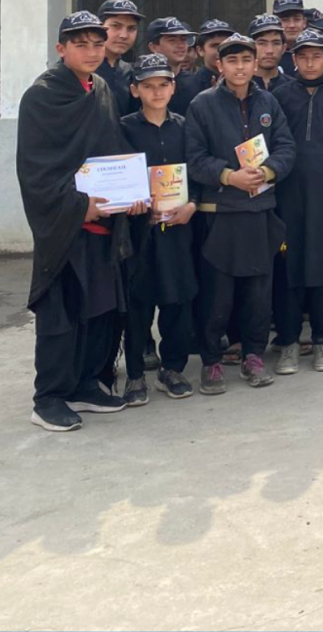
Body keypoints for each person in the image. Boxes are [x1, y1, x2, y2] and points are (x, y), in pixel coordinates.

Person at [20, 12, 136, 431]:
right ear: (61, 49)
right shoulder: (42, 96)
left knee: (99, 310)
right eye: (81, 43)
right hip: (67, 223)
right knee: (62, 313)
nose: (91, 51)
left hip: (105, 221)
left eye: (97, 43)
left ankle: (86, 383)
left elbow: (113, 148)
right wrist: (77, 205)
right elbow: (35, 169)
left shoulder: (101, 88)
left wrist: (132, 192)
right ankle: (49, 396)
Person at [186, 32, 296, 394]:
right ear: (219, 64)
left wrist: (266, 172)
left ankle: (253, 355)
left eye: (246, 60)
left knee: (258, 293)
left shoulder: (269, 102)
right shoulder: (202, 105)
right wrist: (229, 175)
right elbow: (194, 157)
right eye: (231, 60)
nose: (240, 67)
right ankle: (212, 362)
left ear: (255, 63)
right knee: (217, 294)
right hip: (220, 211)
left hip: (260, 209)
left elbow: (286, 146)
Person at [269, 29, 323, 375]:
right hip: (288, 194)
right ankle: (289, 342)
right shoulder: (279, 95)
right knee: (288, 267)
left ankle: (322, 340)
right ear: (294, 59)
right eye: (303, 56)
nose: (309, 62)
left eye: (316, 56)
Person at [119, 53, 199, 405]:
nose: (156, 92)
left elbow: (200, 172)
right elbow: (115, 177)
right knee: (138, 303)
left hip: (180, 228)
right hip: (138, 230)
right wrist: (131, 203)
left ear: (173, 87)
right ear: (135, 90)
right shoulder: (122, 128)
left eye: (163, 85)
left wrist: (192, 205)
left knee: (177, 299)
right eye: (148, 86)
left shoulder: (186, 126)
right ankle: (135, 374)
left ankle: (173, 368)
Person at [96, 0, 143, 116]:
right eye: (116, 26)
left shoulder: (132, 73)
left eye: (131, 28)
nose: (124, 35)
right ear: (100, 27)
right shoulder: (82, 69)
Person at [144, 16, 200, 116]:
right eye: (172, 40)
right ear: (154, 47)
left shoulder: (196, 82)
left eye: (183, 39)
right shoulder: (141, 82)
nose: (181, 45)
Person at [180, 18, 234, 98]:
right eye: (214, 46)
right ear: (200, 50)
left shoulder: (245, 83)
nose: (221, 50)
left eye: (226, 44)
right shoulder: (187, 86)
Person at [249, 13, 287, 91]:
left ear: (283, 48)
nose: (269, 50)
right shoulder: (239, 88)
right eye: (262, 43)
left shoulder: (296, 90)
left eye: (276, 43)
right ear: (250, 47)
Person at [272, 0, 307, 77]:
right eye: (285, 20)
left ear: (304, 22)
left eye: (297, 19)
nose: (292, 25)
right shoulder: (267, 55)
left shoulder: (313, 53)